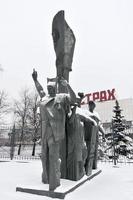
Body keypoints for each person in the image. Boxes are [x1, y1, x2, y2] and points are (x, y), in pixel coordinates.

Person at [32, 69, 76, 191]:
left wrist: (67, 85)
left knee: (53, 156)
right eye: (48, 88)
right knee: (44, 157)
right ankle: (46, 178)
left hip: (55, 132)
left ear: (55, 89)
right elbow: (40, 90)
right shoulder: (44, 97)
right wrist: (35, 80)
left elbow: (73, 99)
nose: (49, 89)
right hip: (45, 131)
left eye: (52, 88)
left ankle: (54, 181)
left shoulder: (61, 97)